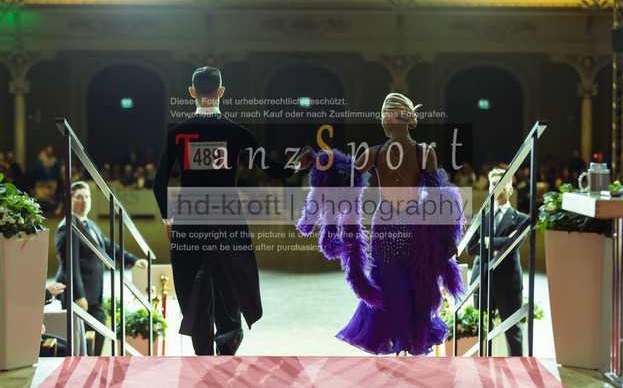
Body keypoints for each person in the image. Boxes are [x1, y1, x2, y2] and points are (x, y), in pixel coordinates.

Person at [153, 66, 309, 356]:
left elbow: (158, 183)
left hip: (190, 218)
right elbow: (274, 169)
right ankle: (226, 351)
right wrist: (301, 164)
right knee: (231, 282)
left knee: (194, 288)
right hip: (227, 217)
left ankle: (202, 356)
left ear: (192, 92)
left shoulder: (178, 133)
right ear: (222, 91)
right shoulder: (238, 132)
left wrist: (169, 219)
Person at [298, 93, 464, 355]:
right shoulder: (397, 152)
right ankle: (401, 343)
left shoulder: (403, 152)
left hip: (403, 223)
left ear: (392, 119)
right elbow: (344, 175)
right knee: (395, 280)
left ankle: (404, 342)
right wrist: (318, 160)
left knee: (408, 280)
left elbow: (438, 197)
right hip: (396, 222)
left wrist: (446, 238)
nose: (384, 122)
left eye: (385, 117)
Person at [54, 181, 147, 356]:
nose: (84, 200)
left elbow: (109, 247)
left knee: (99, 334)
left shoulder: (90, 225)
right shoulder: (67, 228)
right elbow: (69, 266)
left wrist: (133, 260)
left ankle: (92, 366)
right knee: (81, 343)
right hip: (79, 297)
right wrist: (79, 296)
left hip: (93, 295)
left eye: (87, 196)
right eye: (79, 197)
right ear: (69, 200)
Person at [466, 167, 528, 356]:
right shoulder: (480, 218)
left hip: (508, 283)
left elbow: (512, 245)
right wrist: (499, 244)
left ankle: (516, 369)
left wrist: (485, 241)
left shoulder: (521, 219)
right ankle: (482, 369)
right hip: (482, 281)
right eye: (494, 184)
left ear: (511, 190)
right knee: (482, 332)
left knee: (513, 331)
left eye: (502, 184)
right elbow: (470, 248)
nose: (497, 188)